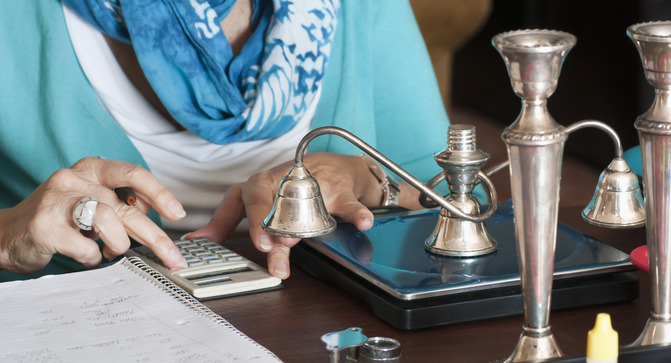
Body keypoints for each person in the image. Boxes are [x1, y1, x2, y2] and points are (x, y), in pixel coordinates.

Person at [0, 0, 450, 282]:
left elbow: (460, 201)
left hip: (324, 332)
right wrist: (8, 234)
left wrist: (365, 178)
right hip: (75, 344)